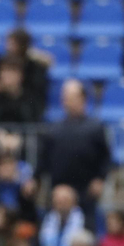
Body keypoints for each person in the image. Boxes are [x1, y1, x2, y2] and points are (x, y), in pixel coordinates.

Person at [48, 81, 112, 226]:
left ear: (82, 99)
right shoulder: (54, 129)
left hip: (86, 189)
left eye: (69, 97)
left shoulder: (95, 127)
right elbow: (45, 157)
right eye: (64, 97)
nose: (65, 101)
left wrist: (100, 179)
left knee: (87, 229)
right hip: (60, 188)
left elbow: (106, 157)